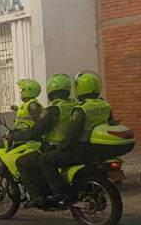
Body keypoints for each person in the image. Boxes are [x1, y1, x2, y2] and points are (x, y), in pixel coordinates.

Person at [40, 72, 113, 204]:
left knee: (45, 160)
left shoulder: (81, 109)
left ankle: (61, 193)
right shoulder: (105, 104)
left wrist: (62, 146)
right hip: (96, 149)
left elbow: (72, 133)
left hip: (80, 149)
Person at [11, 74, 78, 206]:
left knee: (23, 162)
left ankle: (38, 197)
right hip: (72, 146)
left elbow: (38, 128)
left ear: (51, 91)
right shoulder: (76, 104)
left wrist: (19, 136)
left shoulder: (54, 108)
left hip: (55, 146)